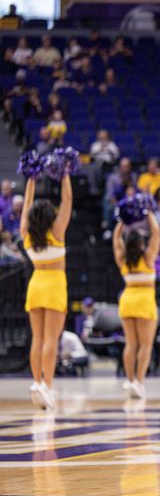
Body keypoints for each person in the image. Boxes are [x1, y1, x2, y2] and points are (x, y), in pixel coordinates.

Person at [20, 167, 73, 410]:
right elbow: (67, 200)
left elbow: (25, 207)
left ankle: (37, 382)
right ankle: (48, 387)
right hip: (54, 284)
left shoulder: (26, 234)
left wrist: (31, 180)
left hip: (36, 284)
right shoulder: (58, 231)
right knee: (51, 339)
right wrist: (65, 174)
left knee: (37, 339)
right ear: (51, 216)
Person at [112, 212, 160, 399]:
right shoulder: (148, 258)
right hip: (145, 301)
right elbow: (156, 233)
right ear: (141, 244)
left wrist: (122, 221)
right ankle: (139, 382)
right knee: (145, 346)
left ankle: (129, 380)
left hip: (127, 299)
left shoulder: (122, 260)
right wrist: (148, 213)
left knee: (131, 344)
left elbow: (116, 238)